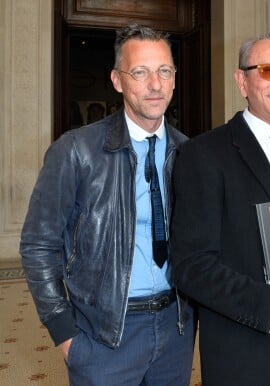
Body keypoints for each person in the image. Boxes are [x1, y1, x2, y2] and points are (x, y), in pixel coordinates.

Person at [19, 23, 195, 385]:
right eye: (140, 72)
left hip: (175, 329)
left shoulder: (189, 153)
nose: (155, 84)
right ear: (117, 80)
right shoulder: (75, 151)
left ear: (175, 79)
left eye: (164, 71)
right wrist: (64, 333)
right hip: (104, 335)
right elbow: (38, 244)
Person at [170, 29, 270, 386]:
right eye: (267, 70)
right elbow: (191, 267)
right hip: (249, 354)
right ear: (241, 82)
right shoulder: (203, 155)